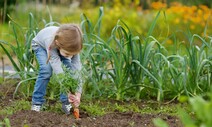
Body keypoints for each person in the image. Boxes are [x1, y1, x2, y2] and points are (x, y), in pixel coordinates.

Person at [31, 24, 83, 115]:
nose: (70, 57)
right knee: (46, 71)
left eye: (73, 55)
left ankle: (66, 102)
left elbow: (77, 71)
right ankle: (37, 102)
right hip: (41, 46)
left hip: (60, 48)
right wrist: (68, 91)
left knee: (69, 71)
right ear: (58, 44)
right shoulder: (51, 42)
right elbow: (59, 71)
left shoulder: (73, 46)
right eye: (68, 55)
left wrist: (78, 93)